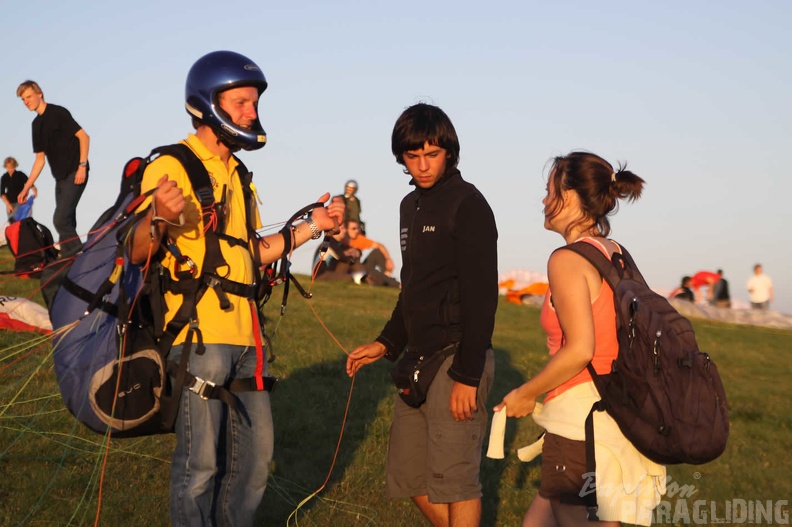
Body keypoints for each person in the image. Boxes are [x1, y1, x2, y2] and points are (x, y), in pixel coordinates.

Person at [128, 50, 344, 527]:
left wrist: (313, 226)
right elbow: (138, 249)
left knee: (254, 464)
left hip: (249, 338)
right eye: (242, 102)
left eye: (254, 103)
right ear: (209, 103)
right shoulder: (173, 165)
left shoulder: (240, 176)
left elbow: (252, 250)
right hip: (198, 338)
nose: (252, 113)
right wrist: (158, 216)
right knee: (201, 465)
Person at [346, 103, 498, 527]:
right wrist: (385, 343)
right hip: (417, 356)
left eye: (431, 154)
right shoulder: (408, 206)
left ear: (448, 151)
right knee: (410, 478)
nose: (423, 165)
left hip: (457, 357)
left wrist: (468, 374)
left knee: (457, 484)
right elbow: (411, 289)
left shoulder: (469, 205)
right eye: (413, 157)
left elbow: (483, 296)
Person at [495, 152, 666, 527]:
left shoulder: (567, 261)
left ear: (570, 196)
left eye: (549, 191)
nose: (543, 201)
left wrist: (526, 392)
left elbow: (580, 349)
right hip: (620, 413)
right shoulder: (615, 254)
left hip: (580, 420)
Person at [16, 80, 90, 257]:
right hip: (60, 179)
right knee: (67, 223)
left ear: (39, 94)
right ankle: (67, 264)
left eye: (28, 96)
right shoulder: (36, 125)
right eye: (23, 99)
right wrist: (26, 187)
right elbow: (40, 160)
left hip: (76, 171)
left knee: (60, 219)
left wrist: (82, 166)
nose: (26, 101)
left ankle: (78, 260)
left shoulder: (58, 113)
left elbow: (84, 137)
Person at [314, 221, 400, 287]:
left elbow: (350, 253)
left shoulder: (339, 243)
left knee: (359, 268)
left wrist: (356, 252)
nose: (344, 231)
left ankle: (373, 279)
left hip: (336, 271)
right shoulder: (329, 242)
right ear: (334, 230)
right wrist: (351, 253)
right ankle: (369, 279)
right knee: (353, 277)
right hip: (322, 275)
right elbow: (342, 256)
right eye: (343, 228)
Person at [1, 156, 36, 221]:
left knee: (23, 222)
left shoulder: (20, 175)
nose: (10, 169)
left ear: (15, 166)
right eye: (8, 168)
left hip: (22, 203)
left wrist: (35, 191)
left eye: (12, 167)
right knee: (12, 223)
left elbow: (30, 184)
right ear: (6, 167)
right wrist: (8, 204)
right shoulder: (4, 177)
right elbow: (2, 193)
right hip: (11, 204)